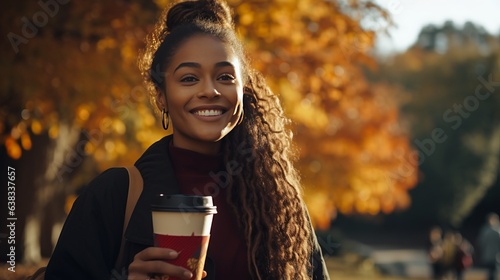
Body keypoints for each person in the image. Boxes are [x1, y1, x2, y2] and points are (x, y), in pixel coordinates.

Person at [44, 0, 330, 279]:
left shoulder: (280, 202)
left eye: (225, 77)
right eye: (189, 78)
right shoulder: (113, 196)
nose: (210, 91)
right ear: (161, 96)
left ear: (243, 90)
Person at [477, 213, 500, 280]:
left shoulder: (484, 231)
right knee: (493, 272)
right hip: (496, 256)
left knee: (490, 272)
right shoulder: (498, 230)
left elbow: (480, 243)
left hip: (487, 255)